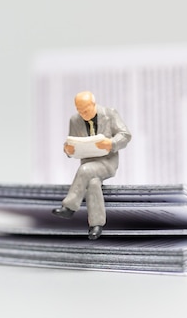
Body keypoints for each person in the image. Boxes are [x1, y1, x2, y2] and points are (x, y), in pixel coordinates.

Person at [51, 91, 132, 240]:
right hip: (88, 163)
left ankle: (69, 207)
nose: (82, 114)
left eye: (85, 110)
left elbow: (126, 135)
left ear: (93, 104)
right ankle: (96, 225)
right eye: (79, 110)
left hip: (107, 163)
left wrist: (111, 143)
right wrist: (68, 150)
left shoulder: (110, 113)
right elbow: (72, 142)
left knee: (84, 170)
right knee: (93, 183)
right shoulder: (74, 120)